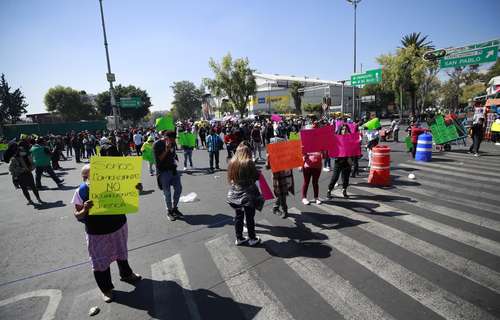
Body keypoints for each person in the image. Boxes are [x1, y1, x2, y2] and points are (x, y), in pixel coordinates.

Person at [71, 165, 141, 303]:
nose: (86, 179)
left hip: (118, 226)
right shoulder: (81, 191)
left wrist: (137, 189)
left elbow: (129, 197)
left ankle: (126, 274)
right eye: (84, 177)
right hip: (97, 233)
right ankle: (106, 289)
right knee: (100, 262)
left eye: (89, 175)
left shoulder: (115, 184)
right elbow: (77, 215)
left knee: (121, 253)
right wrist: (85, 209)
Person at [226, 143, 262, 246]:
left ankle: (239, 238)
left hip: (235, 194)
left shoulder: (232, 162)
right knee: (250, 217)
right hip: (247, 195)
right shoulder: (248, 162)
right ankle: (252, 238)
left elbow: (231, 178)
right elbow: (255, 177)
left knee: (238, 216)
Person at [154, 131, 183, 221]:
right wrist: (166, 149)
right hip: (163, 172)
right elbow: (159, 160)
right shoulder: (157, 144)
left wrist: (174, 156)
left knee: (178, 189)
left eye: (174, 140)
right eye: (172, 139)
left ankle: (174, 208)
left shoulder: (173, 143)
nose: (173, 141)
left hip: (173, 170)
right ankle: (169, 211)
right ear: (166, 138)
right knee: (167, 193)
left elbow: (172, 152)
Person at [267, 138, 294, 218]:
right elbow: (267, 166)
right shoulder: (271, 154)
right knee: (281, 194)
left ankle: (278, 208)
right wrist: (269, 157)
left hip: (285, 176)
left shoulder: (285, 153)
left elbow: (292, 161)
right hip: (277, 178)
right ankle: (283, 210)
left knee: (282, 194)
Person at [327, 124, 352, 199]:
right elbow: (332, 148)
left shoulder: (350, 138)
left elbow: (353, 149)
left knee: (345, 178)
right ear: (340, 130)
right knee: (335, 177)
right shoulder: (336, 139)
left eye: (345, 129)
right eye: (342, 129)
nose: (344, 131)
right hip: (338, 161)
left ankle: (344, 190)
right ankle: (329, 190)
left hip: (347, 161)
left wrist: (350, 158)